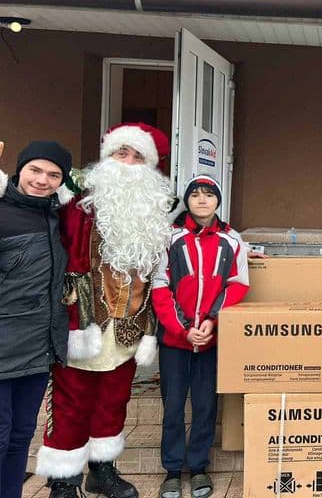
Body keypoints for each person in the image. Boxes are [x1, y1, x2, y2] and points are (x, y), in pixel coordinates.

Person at [37, 123, 175, 498]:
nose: (127, 163)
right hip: (82, 322)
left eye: (138, 156)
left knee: (113, 400)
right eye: (120, 153)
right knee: (71, 402)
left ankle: (102, 470)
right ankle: (63, 480)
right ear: (107, 157)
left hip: (129, 324)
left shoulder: (156, 210)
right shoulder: (74, 202)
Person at [152, 175, 249, 498]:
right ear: (187, 201)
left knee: (205, 405)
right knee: (173, 405)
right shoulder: (170, 237)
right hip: (175, 340)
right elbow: (160, 287)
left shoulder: (231, 239)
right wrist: (182, 328)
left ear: (218, 201)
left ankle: (198, 468)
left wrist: (212, 321)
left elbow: (238, 284)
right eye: (196, 195)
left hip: (211, 340)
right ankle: (172, 470)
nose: (202, 200)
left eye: (209, 195)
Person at [0, 141, 71, 498]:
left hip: (38, 349)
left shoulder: (53, 215)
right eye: (35, 170)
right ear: (20, 169)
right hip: (3, 346)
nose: (43, 180)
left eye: (53, 175)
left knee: (20, 437)